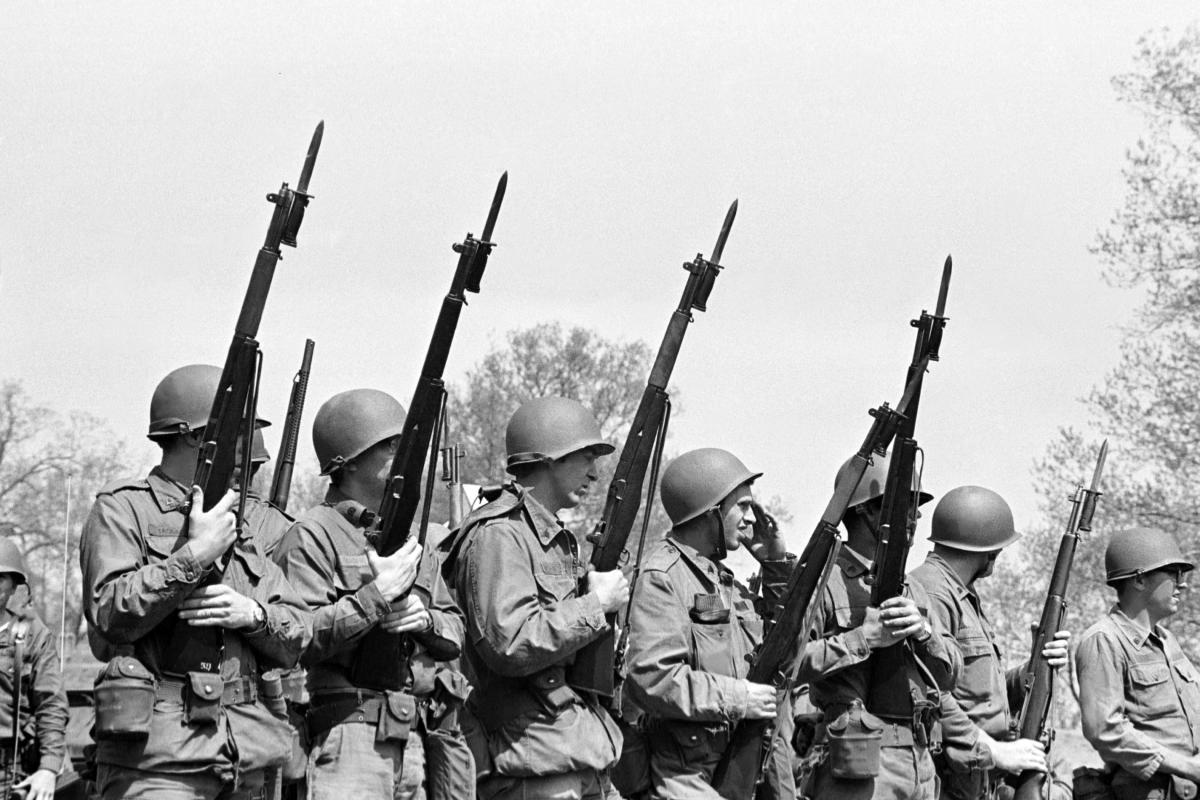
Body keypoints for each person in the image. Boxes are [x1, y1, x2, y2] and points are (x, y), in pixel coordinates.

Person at [79, 363, 311, 799]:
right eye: (238, 429)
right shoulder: (123, 509)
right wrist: (194, 556)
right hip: (159, 760)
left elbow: (298, 629)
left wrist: (254, 615)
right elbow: (109, 613)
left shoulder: (235, 519)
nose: (247, 445)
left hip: (245, 755)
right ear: (193, 436)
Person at [272, 388, 466, 800]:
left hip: (414, 737)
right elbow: (297, 637)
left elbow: (455, 631)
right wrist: (375, 597)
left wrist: (424, 620)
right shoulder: (312, 534)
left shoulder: (409, 539)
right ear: (349, 461)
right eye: (390, 445)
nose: (404, 455)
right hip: (348, 734)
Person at [447, 397, 627, 800]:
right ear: (551, 458)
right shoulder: (500, 534)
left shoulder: (550, 539)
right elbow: (510, 641)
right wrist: (595, 605)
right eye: (586, 458)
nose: (595, 473)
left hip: (575, 751)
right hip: (531, 760)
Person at [624, 447, 797, 799]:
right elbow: (654, 679)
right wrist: (740, 697)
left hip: (742, 765)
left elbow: (784, 655)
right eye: (742, 507)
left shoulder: (724, 582)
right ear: (711, 509)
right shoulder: (663, 577)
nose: (751, 520)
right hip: (686, 776)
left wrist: (776, 566)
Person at [795, 453, 956, 800]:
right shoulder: (824, 582)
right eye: (905, 505)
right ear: (868, 511)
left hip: (919, 761)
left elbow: (949, 676)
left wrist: (924, 633)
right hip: (858, 762)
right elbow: (787, 665)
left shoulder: (913, 588)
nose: (915, 516)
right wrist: (861, 639)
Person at [907, 485, 1070, 800]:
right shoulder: (932, 591)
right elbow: (931, 694)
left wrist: (1033, 669)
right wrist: (993, 750)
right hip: (950, 777)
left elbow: (976, 692)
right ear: (986, 548)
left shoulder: (961, 593)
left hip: (976, 777)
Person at [1076, 526, 1200, 800]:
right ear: (1140, 580)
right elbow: (1105, 730)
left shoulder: (1167, 640)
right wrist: (1188, 767)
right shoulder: (1104, 639)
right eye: (1174, 573)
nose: (1182, 584)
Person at [0, 538, 68, 800]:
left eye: (0, 578)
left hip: (9, 767)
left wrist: (48, 768)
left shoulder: (31, 635)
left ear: (14, 585)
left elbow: (50, 704)